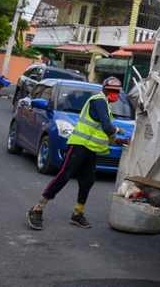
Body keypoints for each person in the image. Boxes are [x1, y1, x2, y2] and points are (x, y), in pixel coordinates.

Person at [26, 77, 127, 230]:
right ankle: (37, 209)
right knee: (64, 176)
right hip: (79, 145)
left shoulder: (105, 105)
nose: (115, 94)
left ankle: (77, 214)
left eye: (117, 92)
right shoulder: (99, 101)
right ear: (104, 89)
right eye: (112, 91)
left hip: (90, 148)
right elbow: (107, 127)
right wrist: (118, 131)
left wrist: (117, 140)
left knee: (88, 180)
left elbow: (101, 129)